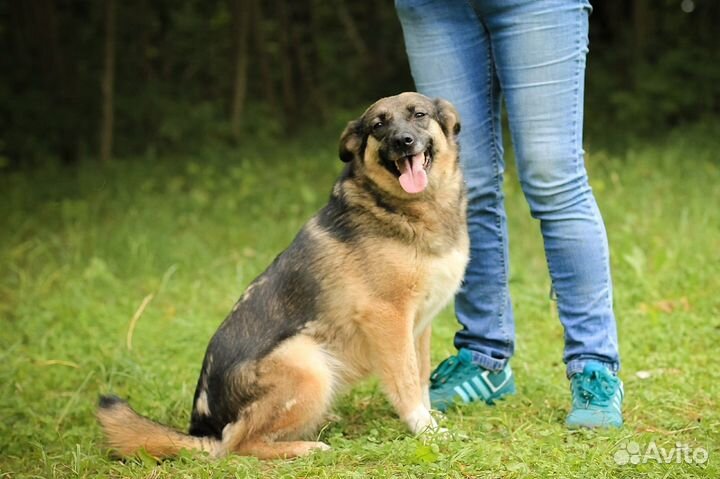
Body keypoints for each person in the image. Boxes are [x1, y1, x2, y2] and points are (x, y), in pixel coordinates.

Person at [395, 0, 623, 428]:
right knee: (462, 183)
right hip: (434, 8)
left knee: (554, 179)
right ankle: (485, 359)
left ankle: (595, 365)